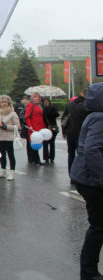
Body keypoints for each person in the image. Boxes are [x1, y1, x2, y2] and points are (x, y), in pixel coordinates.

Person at [70, 82, 103, 280]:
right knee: (98, 226)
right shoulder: (99, 118)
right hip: (91, 180)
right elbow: (92, 150)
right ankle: (89, 272)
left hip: (88, 177)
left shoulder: (94, 115)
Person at [0, 95, 20, 181]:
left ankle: (12, 172)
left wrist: (6, 126)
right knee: (1, 155)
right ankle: (2, 171)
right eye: (2, 102)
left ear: (8, 103)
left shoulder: (13, 113)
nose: (3, 104)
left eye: (5, 102)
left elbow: (18, 126)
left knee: (10, 155)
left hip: (9, 137)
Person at [61, 88, 88, 176]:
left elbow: (64, 119)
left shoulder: (70, 104)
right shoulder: (86, 106)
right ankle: (80, 174)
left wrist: (64, 131)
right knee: (81, 155)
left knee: (71, 154)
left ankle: (71, 174)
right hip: (81, 134)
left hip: (70, 133)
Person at [25, 92, 46, 166]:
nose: (38, 98)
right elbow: (27, 117)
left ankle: (34, 159)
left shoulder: (39, 106)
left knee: (37, 142)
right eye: (35, 97)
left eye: (38, 97)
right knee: (34, 143)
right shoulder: (30, 105)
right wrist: (30, 126)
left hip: (40, 127)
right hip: (33, 127)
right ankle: (36, 160)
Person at [42, 97, 59, 164]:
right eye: (44, 101)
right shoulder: (42, 109)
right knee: (45, 143)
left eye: (47, 101)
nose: (45, 103)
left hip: (52, 127)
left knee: (52, 143)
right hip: (45, 128)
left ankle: (52, 157)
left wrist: (49, 112)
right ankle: (46, 157)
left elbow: (56, 114)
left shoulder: (52, 108)